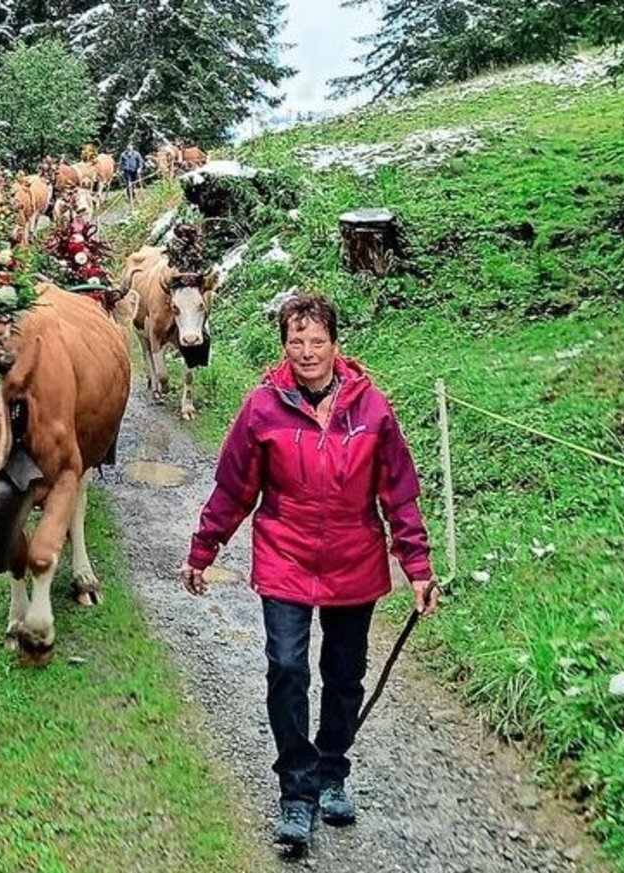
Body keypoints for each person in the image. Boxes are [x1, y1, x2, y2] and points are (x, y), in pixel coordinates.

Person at [178, 293, 438, 852]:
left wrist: (417, 564)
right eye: (296, 341)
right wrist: (204, 549)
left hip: (353, 558)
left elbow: (400, 493)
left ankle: (333, 772)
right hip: (285, 554)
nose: (306, 352)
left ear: (335, 344)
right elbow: (233, 489)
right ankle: (296, 790)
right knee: (287, 667)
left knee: (344, 675)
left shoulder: (373, 410)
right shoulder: (262, 408)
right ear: (284, 346)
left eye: (317, 341)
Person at [119, 141, 144, 205]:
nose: (129, 147)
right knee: (129, 183)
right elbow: (121, 163)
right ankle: (130, 197)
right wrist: (121, 169)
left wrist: (140, 168)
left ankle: (137, 195)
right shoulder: (123, 154)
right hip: (127, 171)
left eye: (130, 146)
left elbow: (141, 161)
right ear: (126, 147)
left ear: (132, 147)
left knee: (134, 183)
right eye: (128, 146)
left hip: (134, 171)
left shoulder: (136, 154)